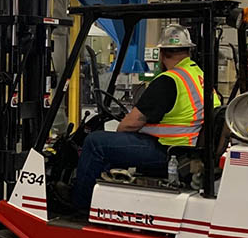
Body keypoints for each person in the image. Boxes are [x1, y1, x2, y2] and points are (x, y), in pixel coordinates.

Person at [69, 25, 220, 211]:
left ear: (162, 54)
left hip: (168, 150)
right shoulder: (200, 76)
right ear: (189, 51)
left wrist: (124, 126)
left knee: (95, 143)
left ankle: (80, 207)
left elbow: (128, 126)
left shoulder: (169, 80)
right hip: (189, 147)